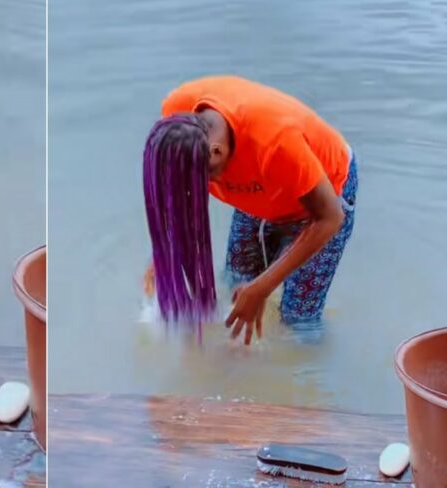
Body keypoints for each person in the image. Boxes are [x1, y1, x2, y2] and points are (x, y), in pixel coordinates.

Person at [143, 75, 357, 345]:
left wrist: (262, 288)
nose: (202, 190)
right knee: (236, 283)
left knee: (298, 321)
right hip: (258, 192)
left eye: (203, 180)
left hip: (324, 198)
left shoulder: (276, 142)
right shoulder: (177, 116)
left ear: (216, 152)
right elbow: (176, 188)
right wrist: (164, 249)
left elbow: (330, 218)